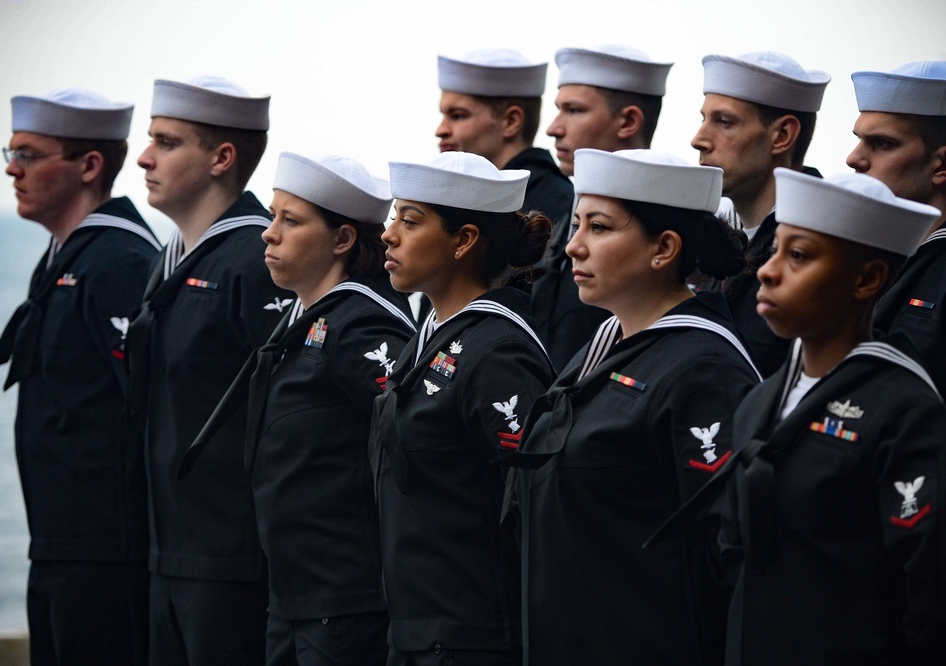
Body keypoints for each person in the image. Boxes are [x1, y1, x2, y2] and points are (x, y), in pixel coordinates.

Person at [506, 148, 760, 665]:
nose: (572, 246)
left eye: (598, 227)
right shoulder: (603, 348)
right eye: (576, 224)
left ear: (663, 248)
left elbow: (732, 561)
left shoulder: (703, 370)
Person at [179, 152, 416, 665]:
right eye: (272, 216)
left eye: (291, 220)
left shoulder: (363, 326)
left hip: (345, 600)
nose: (269, 233)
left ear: (342, 239)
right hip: (291, 596)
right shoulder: (302, 317)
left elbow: (409, 446)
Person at [717, 169, 946, 664]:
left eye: (798, 256)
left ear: (866, 280)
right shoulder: (761, 400)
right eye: (774, 250)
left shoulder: (904, 410)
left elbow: (927, 596)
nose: (768, 271)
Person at [0, 88, 159, 665]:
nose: (13, 168)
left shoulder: (119, 262)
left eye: (31, 155)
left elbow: (148, 407)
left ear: (89, 166)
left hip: (106, 548)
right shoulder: (68, 257)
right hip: (62, 541)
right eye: (10, 152)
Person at [128, 76, 289, 665]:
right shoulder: (168, 262)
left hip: (232, 562)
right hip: (168, 552)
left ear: (222, 158)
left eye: (167, 142)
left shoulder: (258, 259)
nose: (144, 157)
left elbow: (285, 418)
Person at [372, 152, 555, 665]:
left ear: (464, 240)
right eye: (393, 218)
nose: (389, 235)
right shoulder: (430, 339)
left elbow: (528, 508)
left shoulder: (497, 349)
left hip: (472, 638)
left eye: (410, 221)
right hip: (415, 630)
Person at [533, 44, 673, 371]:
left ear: (628, 121)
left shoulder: (666, 226)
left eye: (574, 110)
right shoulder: (565, 213)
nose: (554, 128)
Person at [691, 51, 830, 377]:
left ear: (782, 136)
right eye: (704, 118)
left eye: (724, 122)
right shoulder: (717, 240)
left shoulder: (820, 248)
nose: (698, 140)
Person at [847, 61, 946, 394]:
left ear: (941, 165)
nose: (853, 158)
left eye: (881, 144)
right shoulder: (871, 255)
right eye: (859, 140)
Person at [436, 49, 572, 225]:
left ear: (511, 121)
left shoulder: (559, 206)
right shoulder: (473, 202)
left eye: (458, 116)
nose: (441, 130)